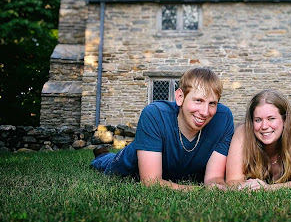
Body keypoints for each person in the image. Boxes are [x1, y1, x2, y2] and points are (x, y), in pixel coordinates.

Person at [90, 67, 234, 191]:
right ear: (179, 97)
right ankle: (102, 155)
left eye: (212, 103)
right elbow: (151, 182)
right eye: (198, 100)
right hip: (133, 162)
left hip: (177, 169)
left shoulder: (224, 118)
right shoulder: (155, 113)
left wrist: (216, 187)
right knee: (107, 164)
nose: (205, 111)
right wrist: (199, 190)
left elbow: (214, 178)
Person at [226, 89, 291, 190]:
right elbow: (232, 181)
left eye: (271, 118)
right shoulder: (243, 133)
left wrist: (268, 188)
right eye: (258, 120)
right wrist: (245, 187)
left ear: (284, 120)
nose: (264, 126)